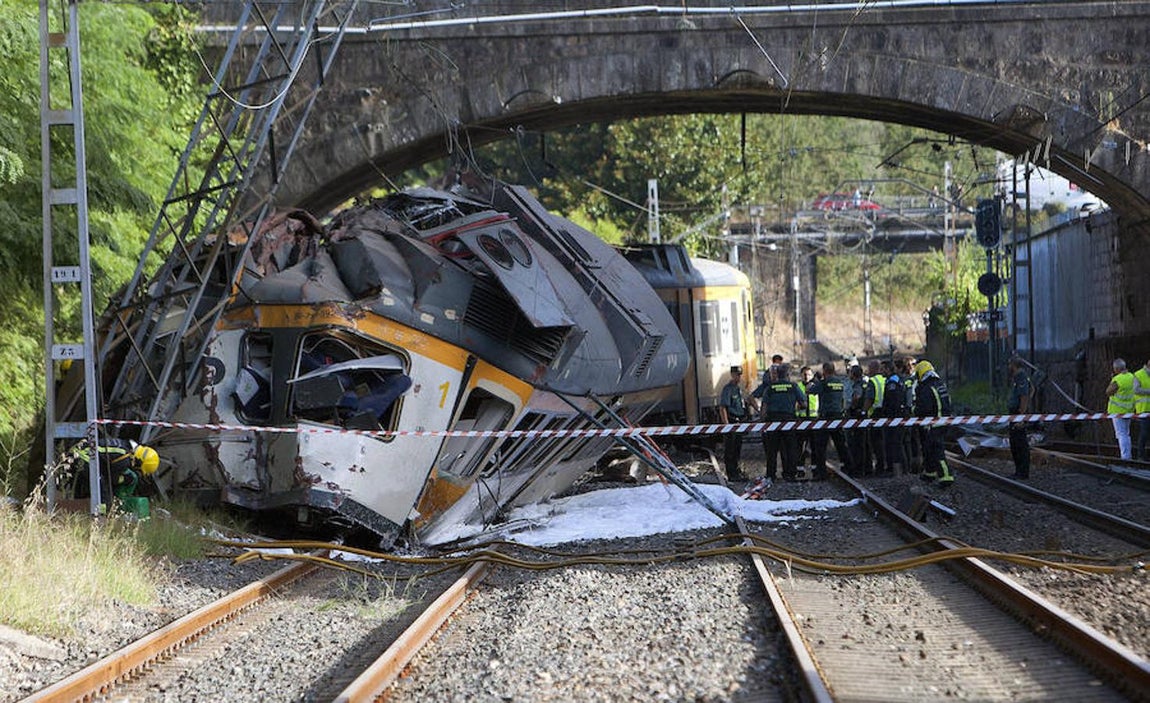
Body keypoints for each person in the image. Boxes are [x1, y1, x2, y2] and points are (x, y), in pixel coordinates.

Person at [753, 364, 805, 481]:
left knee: (772, 450)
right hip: (789, 421)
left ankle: (771, 474)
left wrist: (763, 421)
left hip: (773, 422)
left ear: (778, 375)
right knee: (790, 448)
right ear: (787, 375)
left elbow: (764, 407)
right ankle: (790, 473)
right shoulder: (793, 386)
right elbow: (803, 403)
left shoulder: (770, 388)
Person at [913, 360, 954, 486]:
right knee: (928, 448)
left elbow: (924, 408)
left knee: (936, 450)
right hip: (944, 421)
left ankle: (946, 476)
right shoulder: (940, 384)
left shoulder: (926, 388)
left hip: (934, 424)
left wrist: (914, 411)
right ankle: (929, 473)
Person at [808, 361, 851, 479]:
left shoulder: (823, 383)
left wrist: (814, 381)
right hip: (838, 416)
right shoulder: (839, 383)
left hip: (825, 417)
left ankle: (821, 472)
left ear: (824, 371)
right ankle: (847, 467)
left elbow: (810, 391)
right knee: (840, 444)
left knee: (820, 446)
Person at [719, 365, 756, 481]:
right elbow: (723, 407)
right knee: (730, 449)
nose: (738, 377)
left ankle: (736, 470)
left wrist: (758, 410)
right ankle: (731, 473)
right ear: (732, 375)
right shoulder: (728, 389)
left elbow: (749, 400)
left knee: (737, 448)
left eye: (740, 375)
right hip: (732, 421)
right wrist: (726, 425)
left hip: (740, 421)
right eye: (736, 375)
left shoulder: (739, 389)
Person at [881, 359, 910, 475]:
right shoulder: (896, 380)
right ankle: (902, 470)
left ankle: (898, 471)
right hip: (899, 416)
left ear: (888, 369)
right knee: (899, 443)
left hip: (894, 418)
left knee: (896, 444)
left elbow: (894, 401)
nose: (881, 371)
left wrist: (888, 414)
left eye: (883, 369)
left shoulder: (892, 383)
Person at [1006, 357, 1032, 478]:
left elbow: (1024, 397)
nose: (1008, 367)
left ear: (1014, 365)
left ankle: (1022, 472)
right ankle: (1018, 471)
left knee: (1019, 443)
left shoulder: (1021, 377)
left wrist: (1021, 416)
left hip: (1018, 413)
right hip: (1014, 413)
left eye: (1009, 364)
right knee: (1015, 443)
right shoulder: (1017, 378)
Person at [1106, 358, 1136, 460]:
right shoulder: (1132, 376)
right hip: (1129, 410)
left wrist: (1112, 380)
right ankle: (1128, 455)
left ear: (1116, 369)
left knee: (1121, 435)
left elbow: (1108, 392)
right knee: (1126, 434)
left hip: (1117, 411)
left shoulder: (1117, 379)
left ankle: (1125, 457)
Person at [862, 360, 886, 475]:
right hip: (885, 413)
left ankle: (879, 466)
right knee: (883, 441)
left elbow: (870, 399)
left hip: (875, 414)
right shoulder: (884, 379)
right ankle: (884, 465)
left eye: (869, 368)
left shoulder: (872, 381)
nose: (868, 370)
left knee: (876, 442)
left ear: (874, 368)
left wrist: (864, 411)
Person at [844, 363, 867, 476]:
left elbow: (856, 397)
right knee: (862, 443)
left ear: (853, 374)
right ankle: (863, 467)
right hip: (862, 415)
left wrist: (851, 407)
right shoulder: (865, 383)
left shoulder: (858, 384)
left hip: (855, 415)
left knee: (855, 443)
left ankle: (857, 468)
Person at [1133, 359, 1150, 461]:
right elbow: (1136, 390)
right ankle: (1141, 456)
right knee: (1144, 433)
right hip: (1143, 409)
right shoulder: (1138, 374)